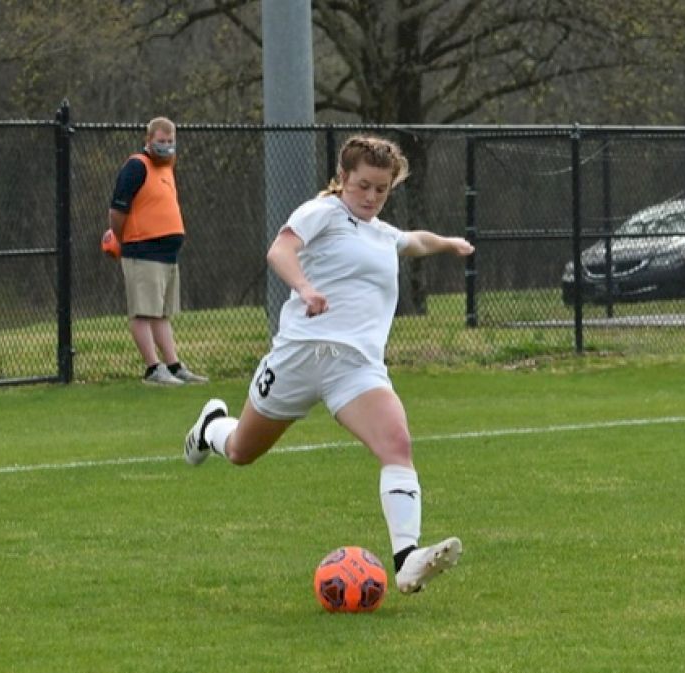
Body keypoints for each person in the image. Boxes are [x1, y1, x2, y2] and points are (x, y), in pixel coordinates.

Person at [182, 135, 474, 594]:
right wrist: (304, 288)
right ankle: (209, 429)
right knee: (241, 451)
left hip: (355, 368)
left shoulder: (381, 233)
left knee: (397, 443)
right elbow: (280, 250)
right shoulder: (322, 213)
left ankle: (407, 558)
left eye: (382, 189)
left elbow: (413, 242)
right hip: (299, 355)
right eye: (363, 186)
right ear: (342, 180)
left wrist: (448, 243)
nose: (372, 197)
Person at [108, 116, 207, 386]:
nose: (166, 146)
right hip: (142, 249)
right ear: (148, 140)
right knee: (143, 311)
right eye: (161, 142)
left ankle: (173, 366)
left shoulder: (166, 167)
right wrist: (120, 237)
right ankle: (153, 368)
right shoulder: (137, 166)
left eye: (170, 141)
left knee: (161, 313)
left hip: (167, 253)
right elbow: (117, 209)